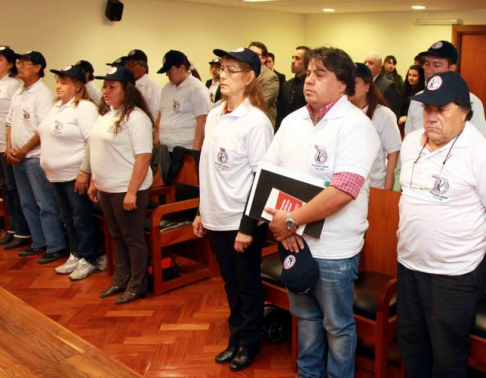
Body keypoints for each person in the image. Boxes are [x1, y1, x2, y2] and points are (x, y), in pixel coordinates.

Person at [264, 47, 380, 378]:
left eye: (320, 75)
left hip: (333, 248)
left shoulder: (356, 126)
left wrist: (290, 221)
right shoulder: (292, 121)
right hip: (293, 241)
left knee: (337, 325)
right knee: (305, 319)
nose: (308, 81)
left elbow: (343, 191)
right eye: (309, 74)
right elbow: (269, 177)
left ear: (343, 84)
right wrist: (284, 228)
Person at [397, 71, 486, 378]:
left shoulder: (479, 152)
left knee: (447, 355)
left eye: (441, 110)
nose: (431, 117)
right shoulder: (411, 143)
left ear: (465, 112)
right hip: (409, 265)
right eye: (427, 109)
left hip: (454, 273)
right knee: (411, 344)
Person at [193, 47, 273, 372]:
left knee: (248, 284)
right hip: (215, 216)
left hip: (242, 220)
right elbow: (207, 170)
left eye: (231, 70)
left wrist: (248, 227)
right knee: (229, 282)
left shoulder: (256, 122)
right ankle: (236, 336)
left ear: (250, 77)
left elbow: (263, 180)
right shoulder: (215, 115)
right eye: (221, 68)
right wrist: (201, 211)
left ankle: (250, 342)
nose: (222, 75)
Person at [87, 66, 153, 305]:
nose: (106, 91)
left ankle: (137, 285)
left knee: (132, 237)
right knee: (116, 237)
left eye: (112, 86)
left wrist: (132, 191)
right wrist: (95, 181)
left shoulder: (136, 118)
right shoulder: (107, 115)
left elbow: (143, 157)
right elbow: (99, 151)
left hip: (126, 188)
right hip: (106, 187)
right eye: (104, 86)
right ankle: (120, 280)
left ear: (127, 89)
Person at [38, 64, 98, 280]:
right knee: (67, 217)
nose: (58, 86)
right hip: (55, 176)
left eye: (64, 83)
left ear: (78, 86)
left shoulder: (84, 108)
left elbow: (93, 141)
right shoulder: (56, 107)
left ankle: (88, 258)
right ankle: (75, 253)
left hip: (75, 175)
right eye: (58, 82)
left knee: (82, 218)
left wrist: (84, 172)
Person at [6, 50, 67, 264]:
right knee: (27, 203)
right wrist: (10, 148)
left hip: (33, 157)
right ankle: (38, 242)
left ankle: (55, 245)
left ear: (38, 68)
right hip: (17, 156)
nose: (20, 66)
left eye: (25, 63)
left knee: (45, 203)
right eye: (19, 63)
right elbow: (10, 123)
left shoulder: (43, 94)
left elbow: (42, 129)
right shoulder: (20, 91)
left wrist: (23, 150)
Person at [405, 40, 486, 137]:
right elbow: (408, 136)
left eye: (436, 65)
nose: (429, 70)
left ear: (452, 68)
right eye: (427, 64)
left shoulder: (470, 101)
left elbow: (479, 141)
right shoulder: (417, 99)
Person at [349, 63, 401, 189]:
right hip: (346, 185)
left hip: (373, 186)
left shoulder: (384, 115)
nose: (348, 88)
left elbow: (393, 155)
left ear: (367, 86)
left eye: (354, 83)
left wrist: (386, 192)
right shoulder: (341, 112)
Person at [0, 46, 30, 249]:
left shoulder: (12, 85)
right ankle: (11, 228)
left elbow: (13, 118)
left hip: (6, 144)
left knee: (14, 188)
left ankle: (22, 229)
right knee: (4, 188)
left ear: (10, 64)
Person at [156, 50, 210, 151]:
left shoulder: (197, 88)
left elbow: (202, 121)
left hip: (185, 150)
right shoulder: (166, 88)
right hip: (165, 150)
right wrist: (156, 144)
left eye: (169, 71)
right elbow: (160, 116)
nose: (167, 74)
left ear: (182, 68)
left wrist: (195, 152)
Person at [275, 46, 310, 132]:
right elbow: (280, 112)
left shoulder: (310, 85)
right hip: (286, 129)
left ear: (307, 62)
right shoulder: (286, 85)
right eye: (292, 58)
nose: (292, 61)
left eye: (297, 58)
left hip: (304, 130)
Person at [124, 49, 161, 121]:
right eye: (128, 64)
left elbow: (155, 114)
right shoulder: (125, 85)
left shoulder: (153, 87)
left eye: (133, 64)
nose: (129, 67)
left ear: (144, 68)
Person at [248, 42, 279, 127]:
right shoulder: (244, 74)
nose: (251, 57)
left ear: (264, 58)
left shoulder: (271, 77)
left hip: (261, 124)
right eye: (249, 53)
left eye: (255, 54)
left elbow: (262, 104)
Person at [364, 52, 401, 118]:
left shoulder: (389, 85)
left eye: (370, 63)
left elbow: (394, 113)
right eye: (365, 63)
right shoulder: (363, 83)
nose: (366, 65)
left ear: (380, 68)